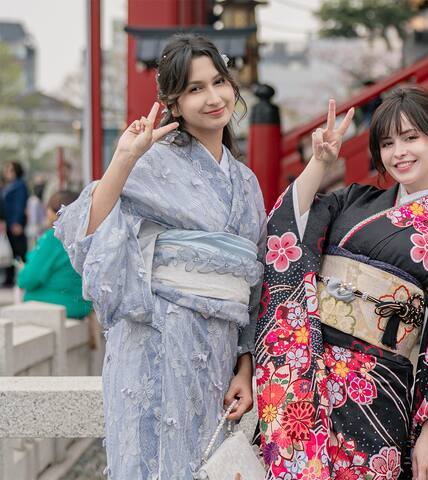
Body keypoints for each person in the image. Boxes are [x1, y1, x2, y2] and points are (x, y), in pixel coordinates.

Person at [55, 34, 266, 479]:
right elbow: (84, 232)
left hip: (217, 351)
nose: (213, 98)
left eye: (219, 82)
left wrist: (245, 367)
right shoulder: (150, 161)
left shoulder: (246, 182)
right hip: (155, 337)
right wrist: (123, 160)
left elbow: (252, 283)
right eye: (195, 89)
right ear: (173, 103)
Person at [255, 87, 428, 480]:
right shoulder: (353, 200)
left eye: (411, 138)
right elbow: (287, 228)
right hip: (311, 370)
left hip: (379, 391)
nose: (399, 153)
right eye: (388, 143)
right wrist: (320, 163)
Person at [17, 190, 91, 318]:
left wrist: (22, 270)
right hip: (81, 306)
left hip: (56, 308)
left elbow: (28, 279)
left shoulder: (54, 238)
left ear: (53, 213)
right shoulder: (85, 236)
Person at [2, 161, 29, 286]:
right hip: (8, 222)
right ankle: (10, 277)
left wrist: (17, 222)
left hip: (15, 223)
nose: (8, 173)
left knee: (19, 252)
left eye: (11, 170)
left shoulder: (19, 185)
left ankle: (24, 275)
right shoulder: (9, 185)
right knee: (11, 251)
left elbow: (19, 205)